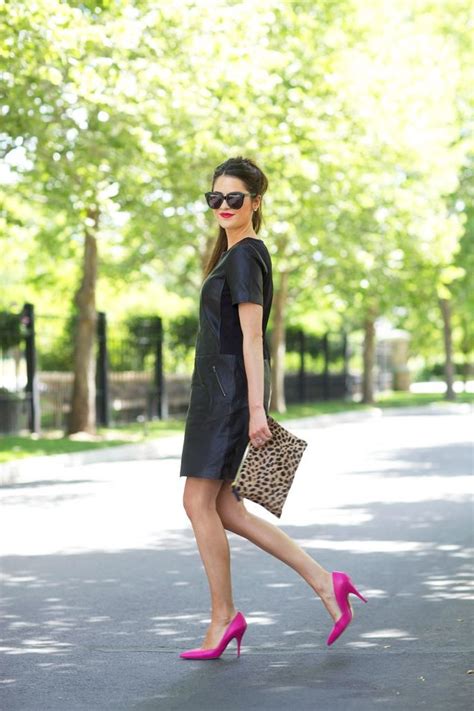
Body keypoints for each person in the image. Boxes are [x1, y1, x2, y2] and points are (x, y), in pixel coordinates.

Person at [179, 156, 367, 660]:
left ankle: (224, 617)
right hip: (216, 392)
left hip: (227, 396)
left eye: (233, 198)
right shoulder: (232, 253)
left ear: (255, 203)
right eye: (214, 197)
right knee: (224, 508)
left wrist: (257, 409)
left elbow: (252, 336)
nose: (222, 205)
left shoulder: (245, 256)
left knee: (198, 503)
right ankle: (327, 581)